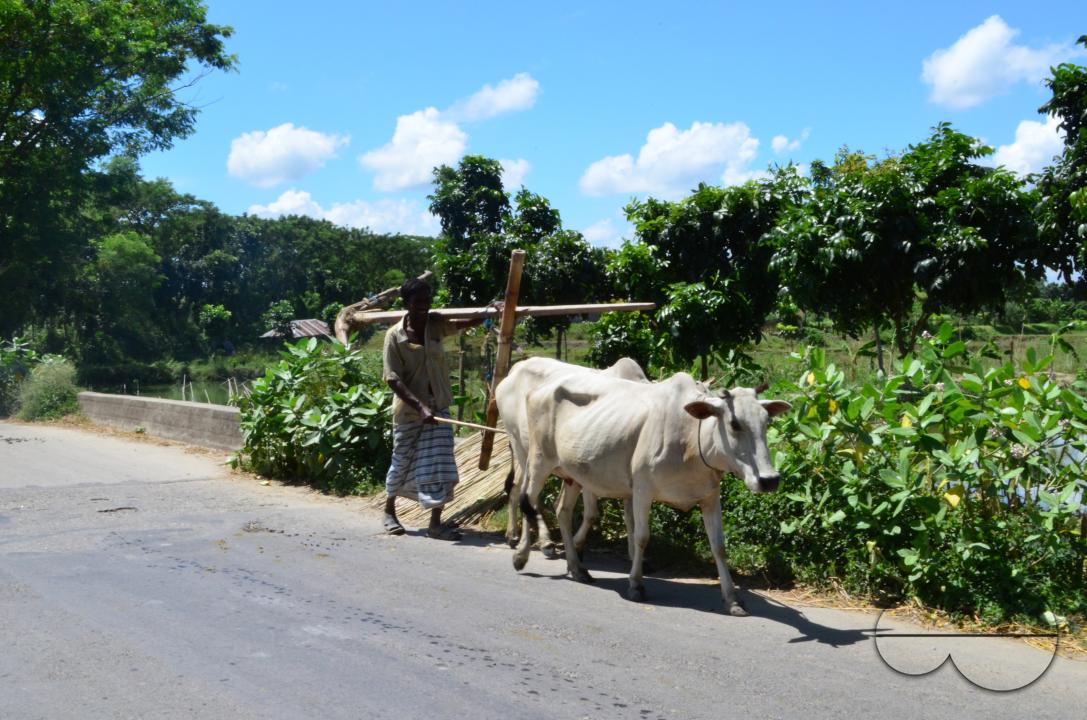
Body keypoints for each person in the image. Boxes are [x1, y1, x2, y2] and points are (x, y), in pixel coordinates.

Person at [381, 277, 497, 540]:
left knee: (440, 464)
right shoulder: (394, 336)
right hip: (409, 412)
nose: (424, 305)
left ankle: (435, 524)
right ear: (407, 304)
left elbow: (462, 324)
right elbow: (392, 379)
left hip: (439, 409)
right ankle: (389, 511)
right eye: (418, 301)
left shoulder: (435, 325)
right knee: (401, 461)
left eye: (427, 300)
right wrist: (421, 407)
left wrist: (489, 311)